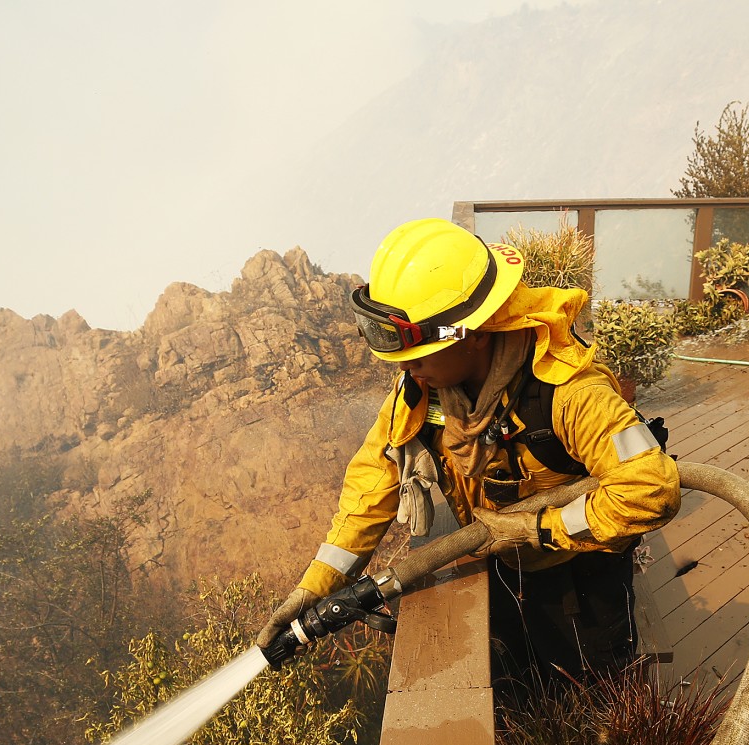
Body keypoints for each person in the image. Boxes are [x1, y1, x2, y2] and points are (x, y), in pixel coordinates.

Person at [256, 218, 680, 688]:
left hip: (582, 574)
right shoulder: (427, 391)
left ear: (474, 332)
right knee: (526, 683)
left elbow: (649, 490)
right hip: (501, 563)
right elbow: (371, 484)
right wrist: (314, 587)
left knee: (595, 692)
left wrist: (538, 528)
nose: (408, 371)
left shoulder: (570, 392)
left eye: (418, 355)